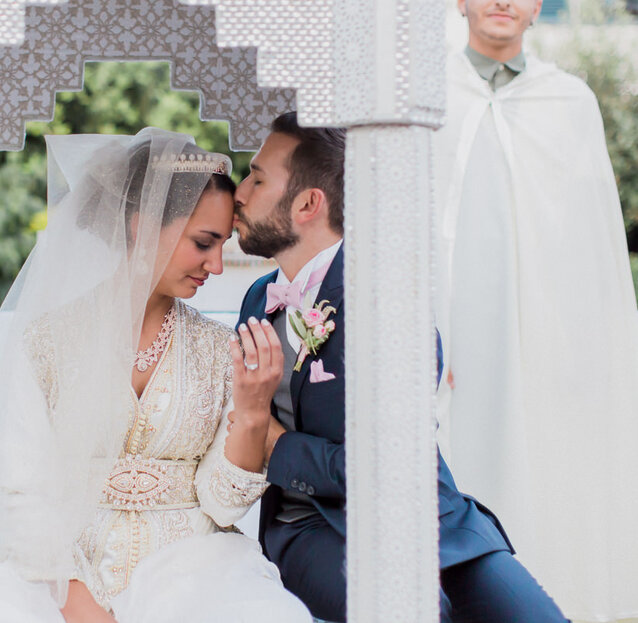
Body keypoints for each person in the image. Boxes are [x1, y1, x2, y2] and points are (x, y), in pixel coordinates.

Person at [0, 129, 311, 623]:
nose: (215, 263)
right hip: (60, 574)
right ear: (141, 224)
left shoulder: (217, 350)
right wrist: (79, 604)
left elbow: (223, 506)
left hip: (195, 572)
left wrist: (253, 415)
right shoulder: (47, 344)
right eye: (203, 243)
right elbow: (24, 490)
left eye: (221, 245)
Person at [231, 111, 568, 622]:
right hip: (311, 526)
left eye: (256, 178)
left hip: (432, 524)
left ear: (307, 204)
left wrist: (274, 442)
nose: (240, 191)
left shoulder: (390, 304)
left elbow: (391, 470)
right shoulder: (260, 299)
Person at [435, 0, 638, 619]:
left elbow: (593, 239)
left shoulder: (569, 102)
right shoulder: (426, 99)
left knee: (548, 472)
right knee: (466, 461)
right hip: (456, 338)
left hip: (549, 339)